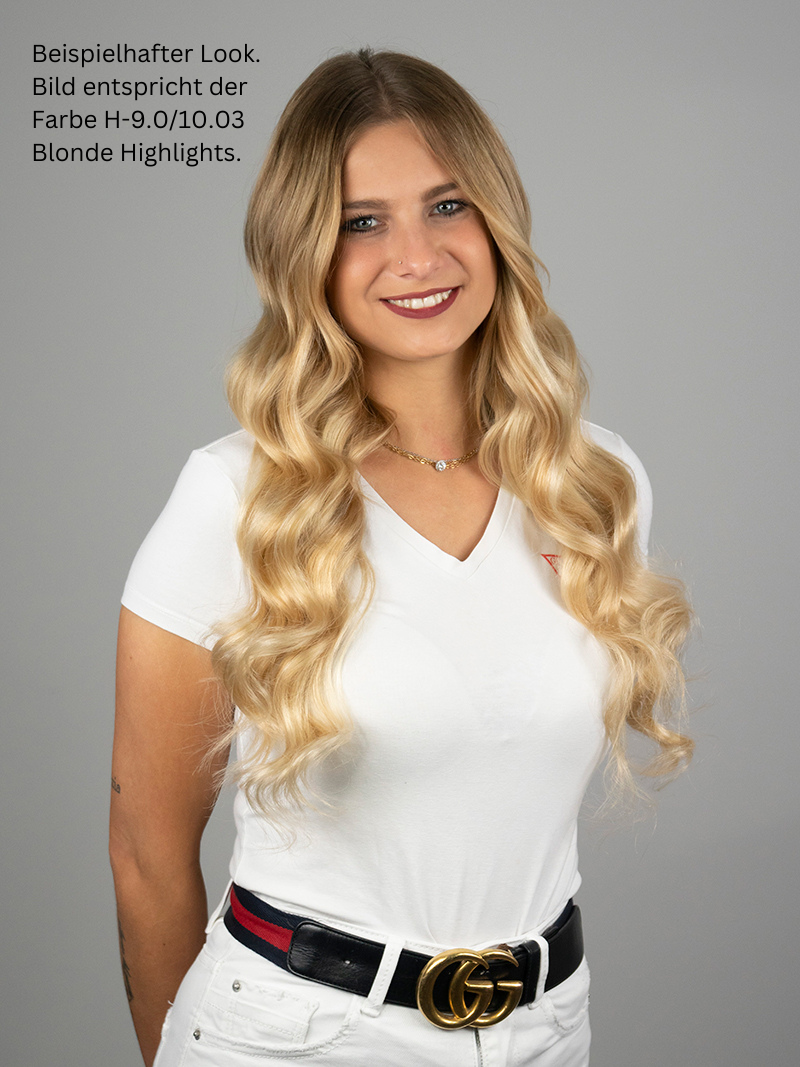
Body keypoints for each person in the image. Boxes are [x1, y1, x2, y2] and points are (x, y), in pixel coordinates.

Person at [109, 48, 692, 1067]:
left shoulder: (596, 482)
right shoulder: (235, 498)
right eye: (361, 222)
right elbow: (147, 855)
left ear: (497, 222)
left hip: (547, 1027)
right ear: (304, 252)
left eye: (447, 205)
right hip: (297, 1038)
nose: (416, 256)